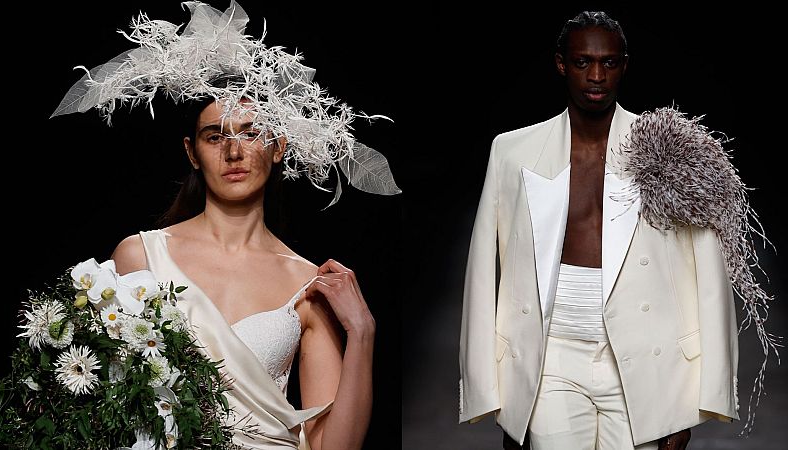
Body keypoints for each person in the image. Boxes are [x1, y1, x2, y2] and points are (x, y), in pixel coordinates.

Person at [50, 2, 399, 449]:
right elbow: (102, 403)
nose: (233, 152)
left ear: (278, 147)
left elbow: (337, 446)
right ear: (192, 152)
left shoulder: (308, 285)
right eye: (215, 136)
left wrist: (363, 333)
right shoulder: (140, 255)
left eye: (250, 133)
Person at [459, 11, 741, 450]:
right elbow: (483, 273)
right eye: (582, 62)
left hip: (644, 359)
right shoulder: (513, 151)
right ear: (560, 64)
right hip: (550, 353)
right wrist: (495, 393)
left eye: (608, 63)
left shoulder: (669, 147)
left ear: (624, 65)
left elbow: (709, 274)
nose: (596, 75)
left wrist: (696, 401)